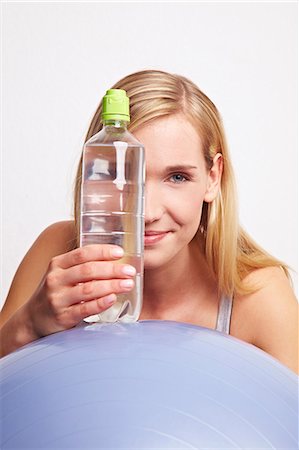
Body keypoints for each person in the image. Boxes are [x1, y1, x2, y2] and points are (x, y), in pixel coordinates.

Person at [0, 69, 298, 373]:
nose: (148, 211)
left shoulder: (260, 297)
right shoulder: (58, 250)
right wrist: (27, 325)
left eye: (177, 177)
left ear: (213, 178)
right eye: (126, 176)